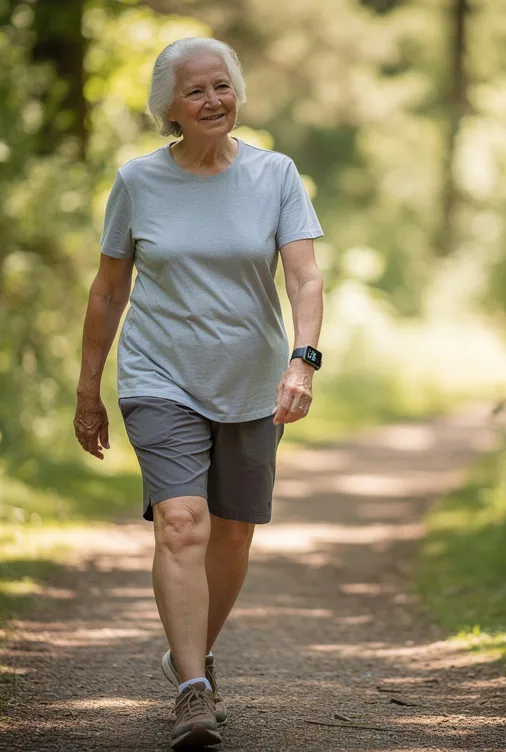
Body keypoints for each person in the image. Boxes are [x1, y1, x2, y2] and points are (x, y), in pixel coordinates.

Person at [71, 36, 325, 750]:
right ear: (169, 109)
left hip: (251, 382)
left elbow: (304, 278)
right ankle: (192, 690)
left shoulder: (275, 174)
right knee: (182, 522)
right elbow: (108, 289)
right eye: (196, 92)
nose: (214, 100)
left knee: (233, 533)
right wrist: (89, 391)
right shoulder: (138, 182)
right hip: (159, 375)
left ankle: (191, 657)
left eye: (222, 86)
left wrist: (302, 361)